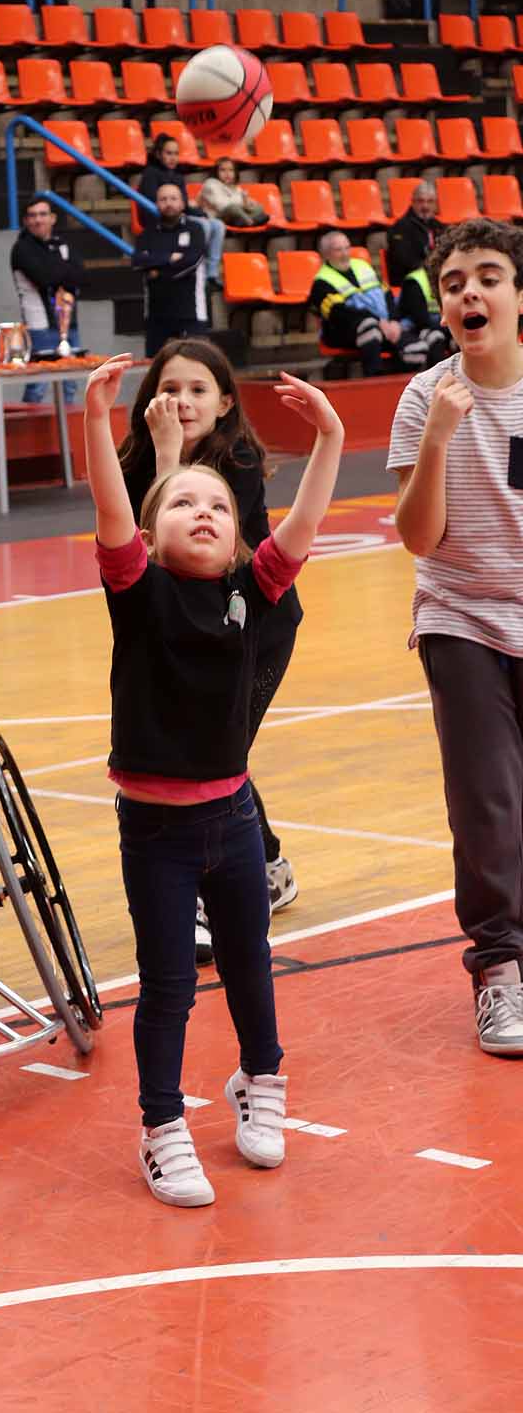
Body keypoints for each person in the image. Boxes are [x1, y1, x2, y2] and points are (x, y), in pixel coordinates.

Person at [84, 350, 344, 1206]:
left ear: (240, 538)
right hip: (153, 831)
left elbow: (300, 527)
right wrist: (95, 420)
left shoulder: (251, 592)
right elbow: (114, 514)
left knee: (249, 961)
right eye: (184, 503)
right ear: (154, 531)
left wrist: (332, 437)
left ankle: (260, 1081)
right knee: (166, 986)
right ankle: (162, 1126)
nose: (203, 512)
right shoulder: (140, 592)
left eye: (220, 507)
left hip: (231, 822)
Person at [388, 217, 523, 1056]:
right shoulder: (422, 397)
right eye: (453, 283)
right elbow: (418, 537)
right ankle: (501, 971)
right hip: (461, 618)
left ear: (517, 295)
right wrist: (439, 435)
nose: (469, 292)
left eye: (488, 276)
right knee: (487, 805)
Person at [117, 336, 303, 939]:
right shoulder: (135, 463)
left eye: (198, 389)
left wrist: (171, 457)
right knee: (203, 749)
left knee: (221, 750)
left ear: (225, 402)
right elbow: (145, 553)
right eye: (170, 388)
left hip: (254, 630)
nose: (183, 400)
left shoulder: (239, 462)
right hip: (176, 632)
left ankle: (236, 874)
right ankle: (267, 859)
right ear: (151, 400)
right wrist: (160, 452)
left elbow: (202, 556)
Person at [308, 230, 442, 378]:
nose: (345, 253)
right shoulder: (321, 282)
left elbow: (387, 294)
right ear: (326, 254)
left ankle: (393, 382)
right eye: (338, 250)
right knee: (369, 326)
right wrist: (379, 322)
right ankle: (374, 379)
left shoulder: (362, 266)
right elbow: (339, 313)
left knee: (418, 348)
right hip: (345, 332)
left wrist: (393, 321)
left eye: (347, 248)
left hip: (384, 327)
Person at [10, 196, 85, 405]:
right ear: (25, 221)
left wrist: (58, 270)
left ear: (53, 218)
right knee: (38, 384)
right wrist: (64, 267)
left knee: (70, 383)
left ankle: (67, 434)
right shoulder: (21, 248)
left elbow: (81, 276)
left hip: (69, 323)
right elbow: (45, 278)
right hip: (39, 326)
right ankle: (27, 432)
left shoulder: (63, 243)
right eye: (32, 216)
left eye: (43, 214)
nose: (38, 220)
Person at [137, 134, 225, 287]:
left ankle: (211, 274)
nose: (173, 158)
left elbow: (183, 205)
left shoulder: (178, 176)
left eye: (176, 154)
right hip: (160, 217)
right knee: (202, 226)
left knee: (217, 225)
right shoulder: (150, 173)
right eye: (168, 153)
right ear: (158, 154)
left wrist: (201, 213)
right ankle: (193, 268)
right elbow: (155, 202)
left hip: (179, 215)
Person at [133, 183, 209, 356]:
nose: (169, 203)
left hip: (191, 312)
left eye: (173, 198)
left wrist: (157, 270)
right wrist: (169, 258)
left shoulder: (195, 230)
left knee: (197, 366)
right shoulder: (147, 234)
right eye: (163, 199)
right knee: (155, 370)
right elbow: (138, 262)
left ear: (182, 203)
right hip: (156, 314)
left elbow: (192, 262)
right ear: (157, 203)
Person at [395, 263, 451, 366]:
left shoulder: (447, 280)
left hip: (438, 325)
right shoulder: (414, 283)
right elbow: (421, 319)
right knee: (436, 337)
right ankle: (438, 378)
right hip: (414, 329)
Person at [386, 182, 439, 289]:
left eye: (430, 201)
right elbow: (404, 261)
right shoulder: (400, 227)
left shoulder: (439, 226)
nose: (425, 206)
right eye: (421, 201)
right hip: (409, 284)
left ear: (435, 204)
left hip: (433, 278)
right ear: (413, 202)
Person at [199, 155, 270, 230]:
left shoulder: (235, 187)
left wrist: (246, 202)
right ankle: (251, 222)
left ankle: (245, 222)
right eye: (223, 170)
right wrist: (242, 203)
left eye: (231, 170)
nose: (227, 173)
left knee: (259, 207)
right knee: (233, 208)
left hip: (237, 216)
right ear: (216, 172)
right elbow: (222, 205)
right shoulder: (210, 184)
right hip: (218, 217)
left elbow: (245, 204)